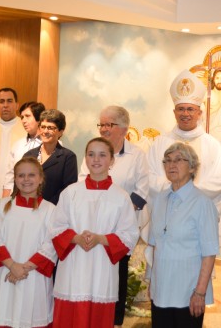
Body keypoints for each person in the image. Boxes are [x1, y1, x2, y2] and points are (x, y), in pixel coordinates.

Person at [50, 137, 139, 328]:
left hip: (102, 269)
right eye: (91, 154)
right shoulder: (70, 192)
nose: (96, 159)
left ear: (112, 161)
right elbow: (56, 227)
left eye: (102, 155)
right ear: (85, 159)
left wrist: (100, 239)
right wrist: (76, 238)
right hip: (73, 269)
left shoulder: (120, 196)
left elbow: (129, 234)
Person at [77, 105, 149, 328]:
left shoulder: (137, 155)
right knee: (90, 272)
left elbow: (142, 190)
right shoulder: (93, 152)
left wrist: (119, 214)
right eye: (102, 124)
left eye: (109, 124)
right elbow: (82, 183)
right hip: (92, 224)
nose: (104, 129)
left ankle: (114, 321)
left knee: (116, 275)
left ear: (124, 128)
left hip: (120, 228)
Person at [147, 69, 221, 242]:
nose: (185, 114)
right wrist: (174, 192)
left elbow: (219, 180)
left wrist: (187, 193)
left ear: (199, 113)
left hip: (198, 216)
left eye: (190, 109)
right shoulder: (160, 143)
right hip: (165, 215)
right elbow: (150, 177)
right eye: (181, 109)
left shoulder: (212, 145)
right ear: (174, 112)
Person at [0, 157, 57, 328]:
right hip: (4, 273)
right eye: (21, 175)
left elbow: (51, 245)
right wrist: (12, 266)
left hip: (33, 275)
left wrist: (23, 268)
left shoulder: (51, 210)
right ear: (15, 179)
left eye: (31, 175)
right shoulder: (1, 206)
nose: (26, 179)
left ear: (41, 178)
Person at [148, 142, 218, 328]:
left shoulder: (202, 203)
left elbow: (209, 253)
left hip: (188, 292)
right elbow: (156, 246)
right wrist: (153, 284)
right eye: (167, 161)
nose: (171, 165)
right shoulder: (160, 199)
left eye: (179, 160)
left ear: (193, 167)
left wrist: (200, 292)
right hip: (162, 290)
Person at [24, 109, 78, 205]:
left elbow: (67, 190)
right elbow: (19, 182)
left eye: (51, 128)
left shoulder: (68, 157)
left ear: (61, 132)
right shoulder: (29, 155)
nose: (45, 131)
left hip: (53, 211)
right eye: (43, 127)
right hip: (27, 208)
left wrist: (43, 206)